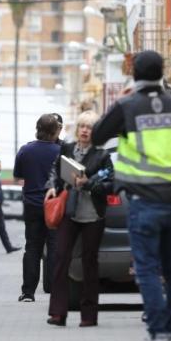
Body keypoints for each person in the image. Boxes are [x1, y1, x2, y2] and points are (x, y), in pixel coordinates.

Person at [92, 50, 171, 341]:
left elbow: (97, 136)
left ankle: (157, 335)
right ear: (162, 72)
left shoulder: (128, 105)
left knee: (146, 269)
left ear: (133, 73)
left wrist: (120, 102)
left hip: (143, 199)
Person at [45, 110, 113, 326]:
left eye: (90, 127)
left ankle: (89, 315)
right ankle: (58, 313)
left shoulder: (102, 156)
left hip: (93, 215)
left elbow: (110, 184)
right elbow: (55, 171)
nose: (85, 130)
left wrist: (89, 184)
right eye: (82, 126)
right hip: (70, 211)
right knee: (61, 258)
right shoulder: (66, 149)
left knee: (89, 263)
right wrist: (52, 188)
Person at [14, 114, 62, 301]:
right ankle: (53, 288)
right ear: (54, 131)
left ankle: (28, 292)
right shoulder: (61, 151)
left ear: (37, 129)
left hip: (32, 205)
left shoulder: (25, 150)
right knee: (54, 247)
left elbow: (19, 174)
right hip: (54, 205)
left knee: (32, 248)